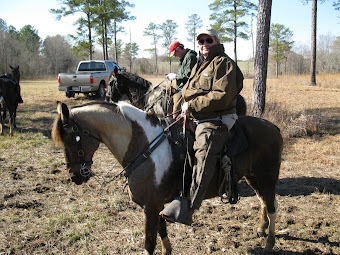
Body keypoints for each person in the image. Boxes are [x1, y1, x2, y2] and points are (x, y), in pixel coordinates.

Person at [160, 26, 244, 225]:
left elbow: (221, 97)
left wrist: (193, 105)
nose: (204, 45)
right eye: (201, 41)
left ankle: (190, 205)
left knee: (203, 150)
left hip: (217, 118)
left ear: (216, 41)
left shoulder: (224, 64)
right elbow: (188, 89)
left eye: (209, 40)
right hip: (196, 115)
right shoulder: (200, 64)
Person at [166, 41, 197, 116]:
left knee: (176, 113)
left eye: (175, 53)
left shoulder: (190, 57)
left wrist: (175, 76)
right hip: (181, 89)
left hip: (186, 90)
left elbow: (189, 74)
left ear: (179, 49)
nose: (175, 56)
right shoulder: (184, 58)